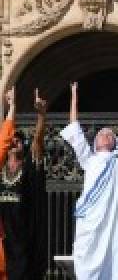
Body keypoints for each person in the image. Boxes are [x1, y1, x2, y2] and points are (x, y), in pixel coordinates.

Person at [61, 81, 118, 280]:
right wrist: (74, 96)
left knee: (117, 262)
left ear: (115, 143)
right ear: (95, 143)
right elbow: (74, 129)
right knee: (86, 262)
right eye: (101, 134)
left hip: (116, 223)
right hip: (92, 224)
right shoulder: (89, 160)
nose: (105, 135)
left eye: (109, 135)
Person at [0, 88, 48, 280]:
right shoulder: (1, 168)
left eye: (19, 141)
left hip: (25, 241)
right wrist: (11, 107)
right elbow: (3, 138)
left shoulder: (28, 168)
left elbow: (37, 144)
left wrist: (41, 116)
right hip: (5, 241)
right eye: (13, 140)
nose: (14, 142)